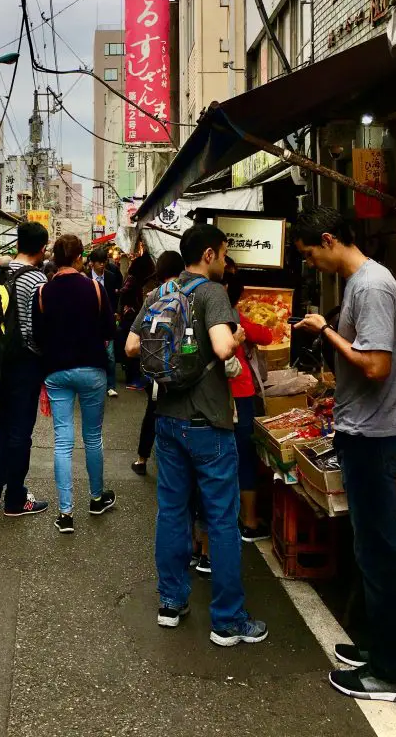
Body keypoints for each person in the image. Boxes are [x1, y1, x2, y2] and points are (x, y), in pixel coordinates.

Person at [293, 207, 396, 704]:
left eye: (310, 255)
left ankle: (394, 672)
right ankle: (377, 648)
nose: (312, 264)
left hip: (374, 434)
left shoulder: (370, 287)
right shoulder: (365, 283)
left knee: (381, 552)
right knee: (370, 549)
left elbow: (375, 365)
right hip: (365, 430)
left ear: (328, 239)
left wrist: (325, 330)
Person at [127, 224, 267, 645]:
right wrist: (237, 336)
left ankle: (171, 602)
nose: (225, 262)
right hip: (207, 423)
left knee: (172, 512)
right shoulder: (211, 293)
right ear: (208, 254)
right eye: (223, 254)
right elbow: (223, 348)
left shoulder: (160, 293)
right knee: (222, 520)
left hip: (167, 419)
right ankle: (227, 621)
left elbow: (132, 345)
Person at [33, 233, 116, 535]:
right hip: (92, 369)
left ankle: (65, 512)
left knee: (63, 442)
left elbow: (38, 336)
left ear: (55, 259)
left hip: (56, 371)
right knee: (92, 437)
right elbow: (109, 329)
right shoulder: (94, 287)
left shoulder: (43, 292)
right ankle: (96, 497)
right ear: (80, 258)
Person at [0, 222, 49, 517]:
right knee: (21, 430)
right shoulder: (37, 279)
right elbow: (39, 326)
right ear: (42, 248)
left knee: (3, 422)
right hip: (24, 362)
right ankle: (16, 500)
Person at [225, 273, 273, 542]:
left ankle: (213, 525)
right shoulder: (235, 319)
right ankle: (251, 521)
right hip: (240, 394)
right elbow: (265, 335)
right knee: (244, 454)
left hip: (214, 396)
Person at [131, 250, 185, 476]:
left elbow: (130, 346)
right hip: (184, 371)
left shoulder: (153, 296)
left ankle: (142, 459)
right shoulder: (190, 294)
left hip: (155, 371)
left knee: (152, 412)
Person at [87, 246, 121, 398]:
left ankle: (111, 385)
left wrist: (116, 312)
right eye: (99, 262)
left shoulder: (111, 276)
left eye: (104, 262)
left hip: (108, 320)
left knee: (110, 355)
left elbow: (116, 297)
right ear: (91, 263)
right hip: (89, 320)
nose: (102, 265)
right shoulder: (85, 278)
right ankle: (92, 385)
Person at [118, 253, 153, 390]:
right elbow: (123, 292)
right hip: (131, 317)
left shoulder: (135, 279)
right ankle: (132, 378)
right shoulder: (133, 279)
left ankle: (134, 377)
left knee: (133, 348)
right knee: (132, 348)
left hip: (131, 316)